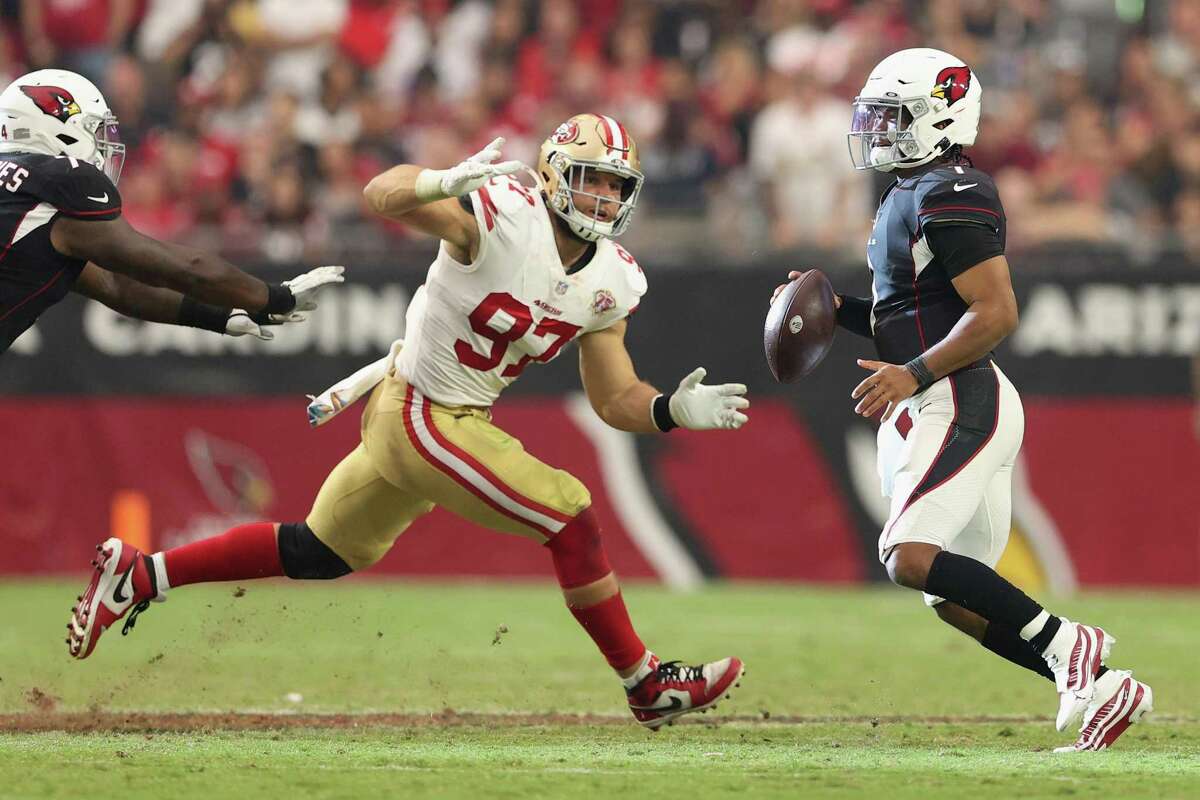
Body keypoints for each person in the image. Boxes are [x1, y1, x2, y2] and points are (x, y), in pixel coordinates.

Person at [69, 114, 749, 731]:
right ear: (550, 174)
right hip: (421, 411)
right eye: (589, 180)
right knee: (571, 514)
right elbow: (380, 195)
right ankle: (645, 680)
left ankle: (139, 575)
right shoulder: (501, 215)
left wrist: (669, 410)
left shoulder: (615, 280)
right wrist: (437, 182)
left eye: (613, 186)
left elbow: (613, 395)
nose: (602, 198)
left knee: (320, 550)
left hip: (446, 416)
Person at [772, 49, 1152, 752]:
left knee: (907, 555)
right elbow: (909, 312)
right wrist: (831, 307)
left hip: (959, 395)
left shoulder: (952, 190)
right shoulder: (907, 193)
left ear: (939, 116)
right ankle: (1101, 686)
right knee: (948, 596)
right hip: (936, 398)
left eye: (893, 117)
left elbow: (998, 311)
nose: (878, 130)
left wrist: (913, 373)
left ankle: (1070, 642)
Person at [0, 69, 344, 356]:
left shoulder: (26, 196)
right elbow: (180, 269)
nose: (102, 144)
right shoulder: (57, 181)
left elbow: (116, 285)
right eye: (93, 129)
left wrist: (217, 315)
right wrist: (273, 296)